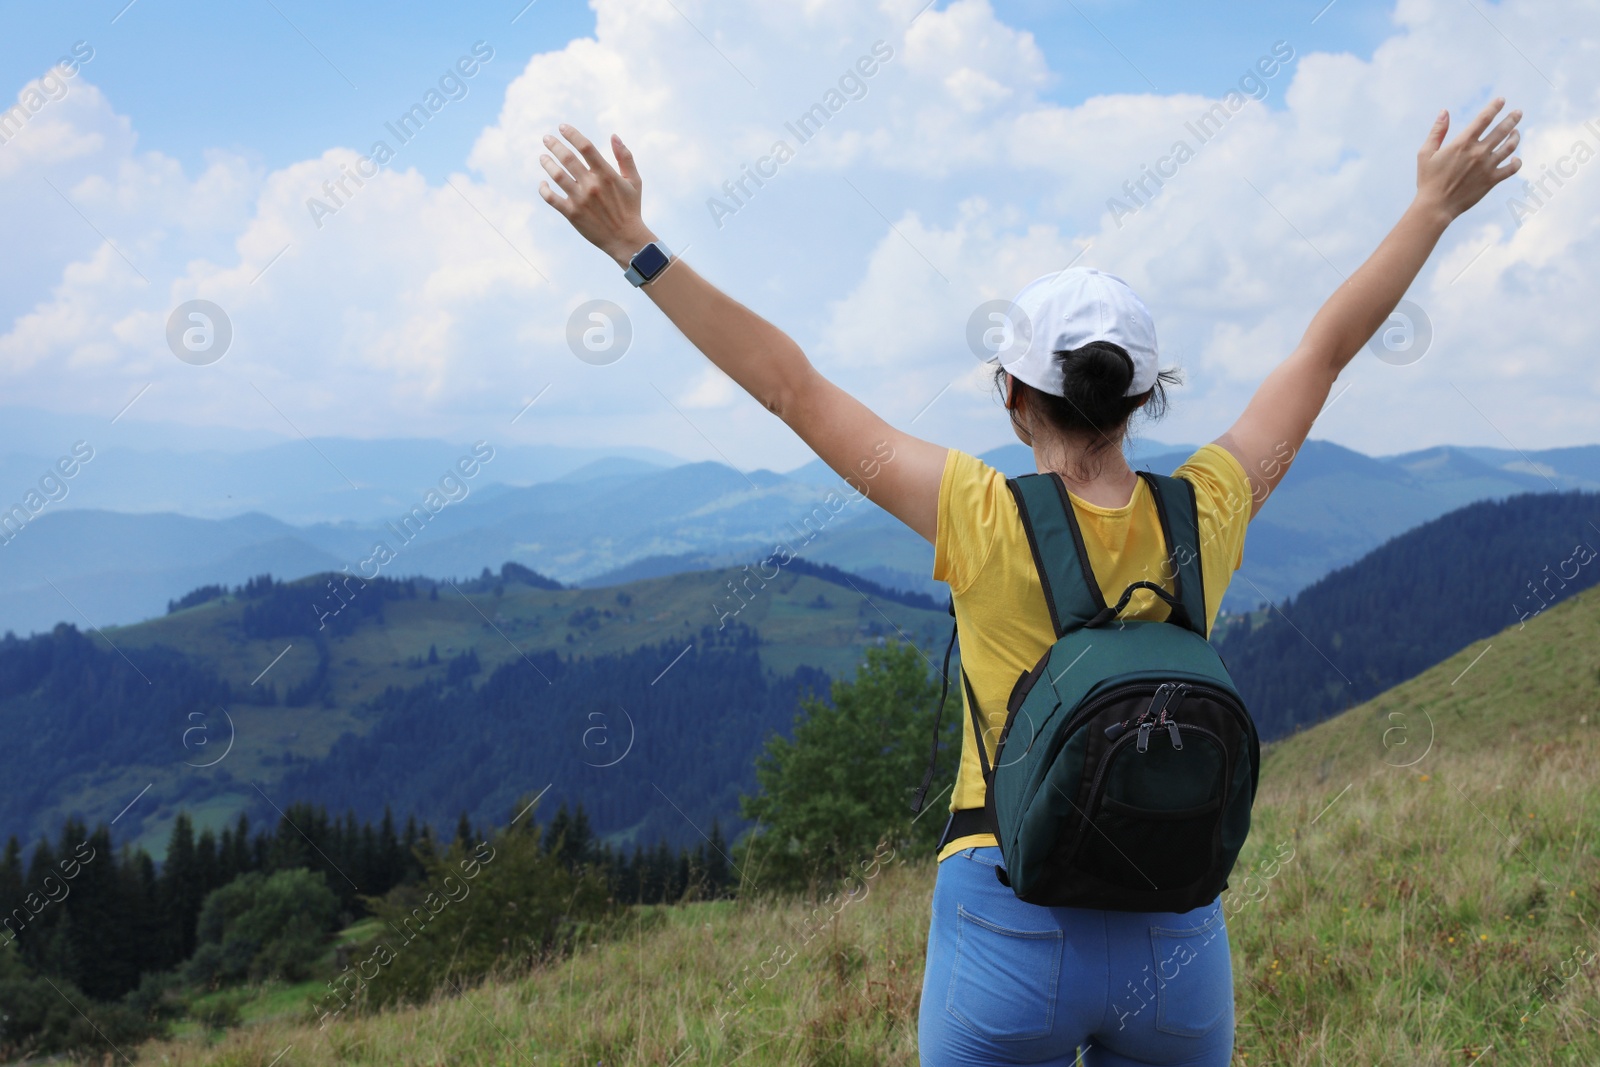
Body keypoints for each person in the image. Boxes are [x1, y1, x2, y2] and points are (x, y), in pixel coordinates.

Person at [536, 96, 1522, 1065]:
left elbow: (790, 388)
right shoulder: (1207, 508)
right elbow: (1324, 348)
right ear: (1142, 395)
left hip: (1003, 914)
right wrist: (1432, 207)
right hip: (1173, 935)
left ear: (1012, 394)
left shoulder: (977, 510)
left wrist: (636, 245)